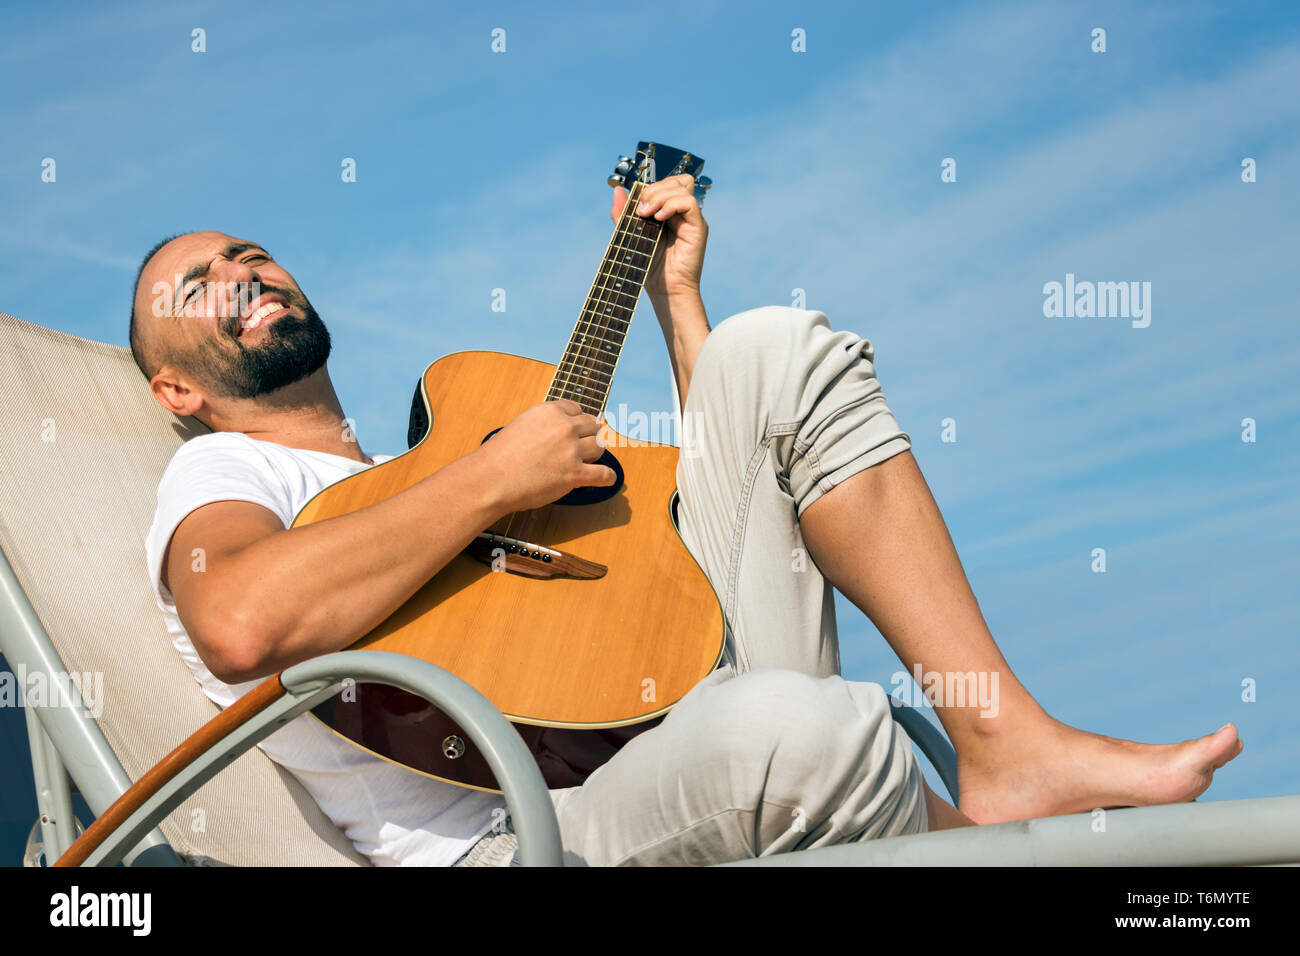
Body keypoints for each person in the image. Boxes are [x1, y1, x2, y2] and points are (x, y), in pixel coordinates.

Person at [130, 176, 1241, 866]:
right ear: (176, 387)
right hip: (527, 828)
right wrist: (493, 478)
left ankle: (1007, 742)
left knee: (779, 350)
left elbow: (695, 515)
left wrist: (675, 304)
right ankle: (1036, 865)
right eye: (196, 282)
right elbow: (236, 619)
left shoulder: (402, 468)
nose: (239, 271)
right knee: (805, 729)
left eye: (248, 253)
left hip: (668, 712)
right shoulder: (225, 471)